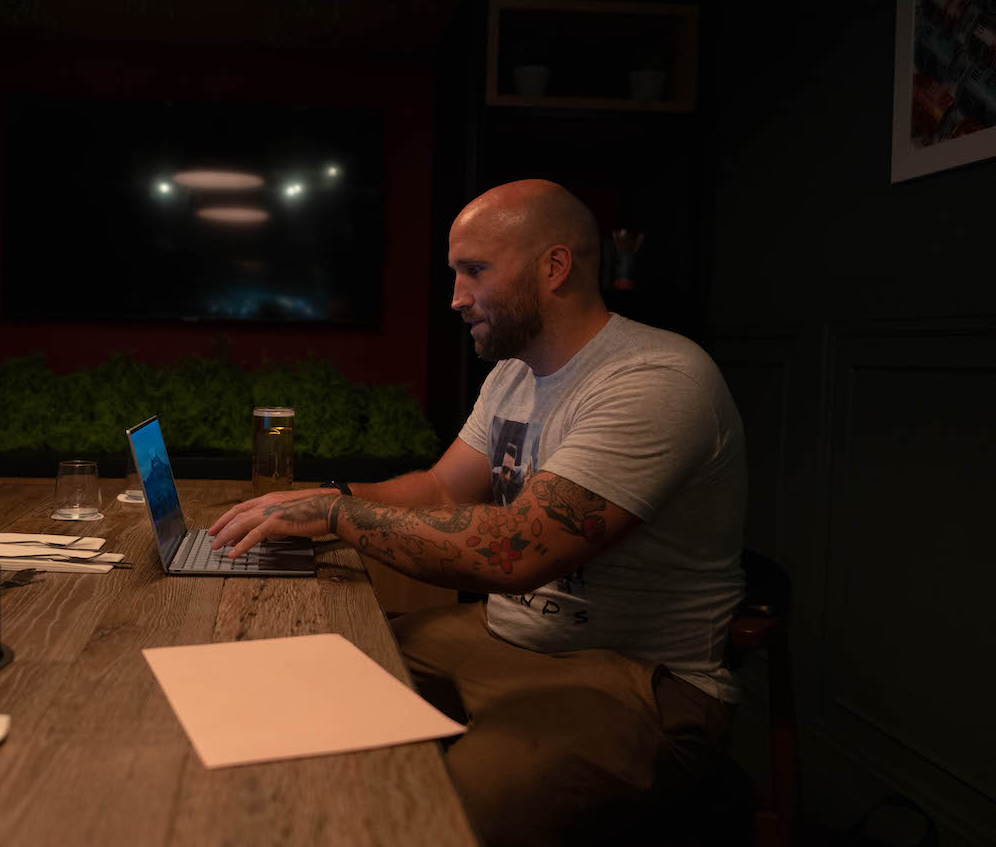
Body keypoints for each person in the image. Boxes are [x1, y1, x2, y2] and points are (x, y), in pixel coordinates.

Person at [209, 179, 747, 846]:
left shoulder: (657, 379)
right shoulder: (513, 375)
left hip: (637, 679)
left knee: (435, 822)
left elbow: (517, 551)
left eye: (475, 270)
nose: (456, 298)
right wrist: (311, 503)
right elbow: (440, 490)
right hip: (500, 637)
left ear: (554, 267)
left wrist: (338, 514)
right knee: (291, 686)